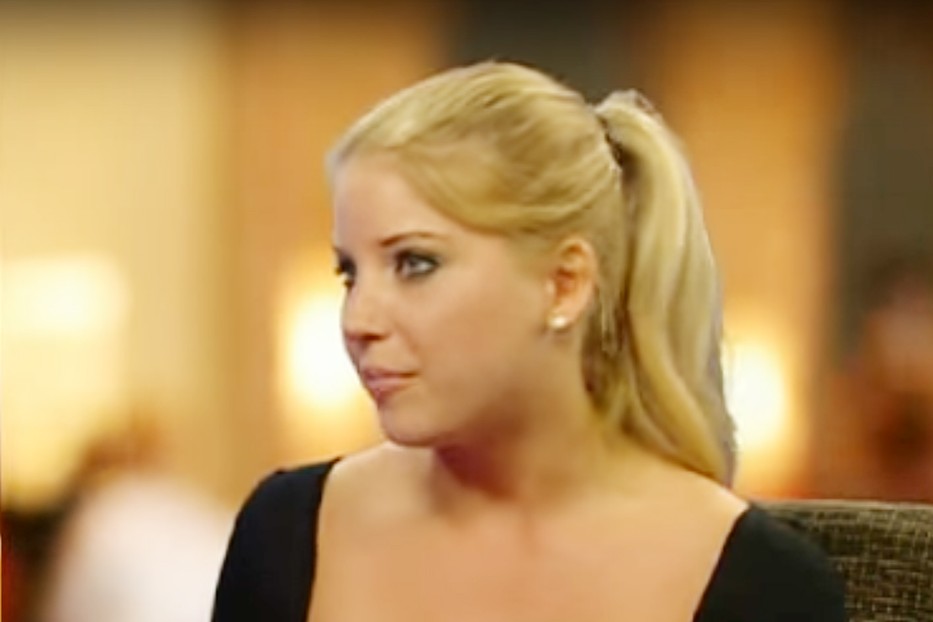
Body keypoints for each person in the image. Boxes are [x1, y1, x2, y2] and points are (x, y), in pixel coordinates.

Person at [212, 61, 847, 622]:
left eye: (415, 263)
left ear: (565, 283)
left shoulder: (761, 581)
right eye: (350, 273)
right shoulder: (288, 531)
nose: (358, 320)